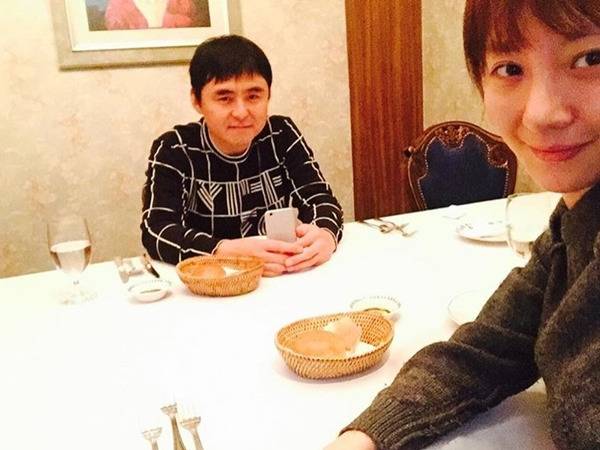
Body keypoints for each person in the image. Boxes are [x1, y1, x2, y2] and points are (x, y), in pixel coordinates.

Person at [325, 1, 600, 449]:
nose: (542, 113)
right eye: (510, 69)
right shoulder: (572, 226)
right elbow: (484, 350)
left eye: (590, 58)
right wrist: (362, 438)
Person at [141, 35, 343, 276]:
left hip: (281, 276)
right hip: (212, 283)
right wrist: (225, 251)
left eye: (253, 96)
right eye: (224, 98)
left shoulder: (281, 134)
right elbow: (157, 231)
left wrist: (325, 234)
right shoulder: (175, 148)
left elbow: (319, 198)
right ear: (197, 100)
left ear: (268, 95)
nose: (241, 112)